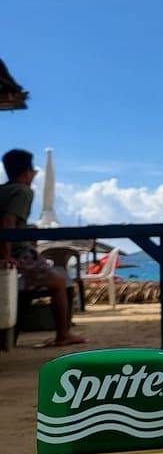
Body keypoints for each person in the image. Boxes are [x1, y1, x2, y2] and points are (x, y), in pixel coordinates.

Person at [0, 148, 85, 347]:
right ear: (27, 173)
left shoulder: (3, 191)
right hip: (17, 254)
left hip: (15, 252)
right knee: (59, 281)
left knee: (52, 279)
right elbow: (7, 221)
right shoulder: (23, 191)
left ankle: (13, 335)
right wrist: (5, 255)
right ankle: (63, 334)